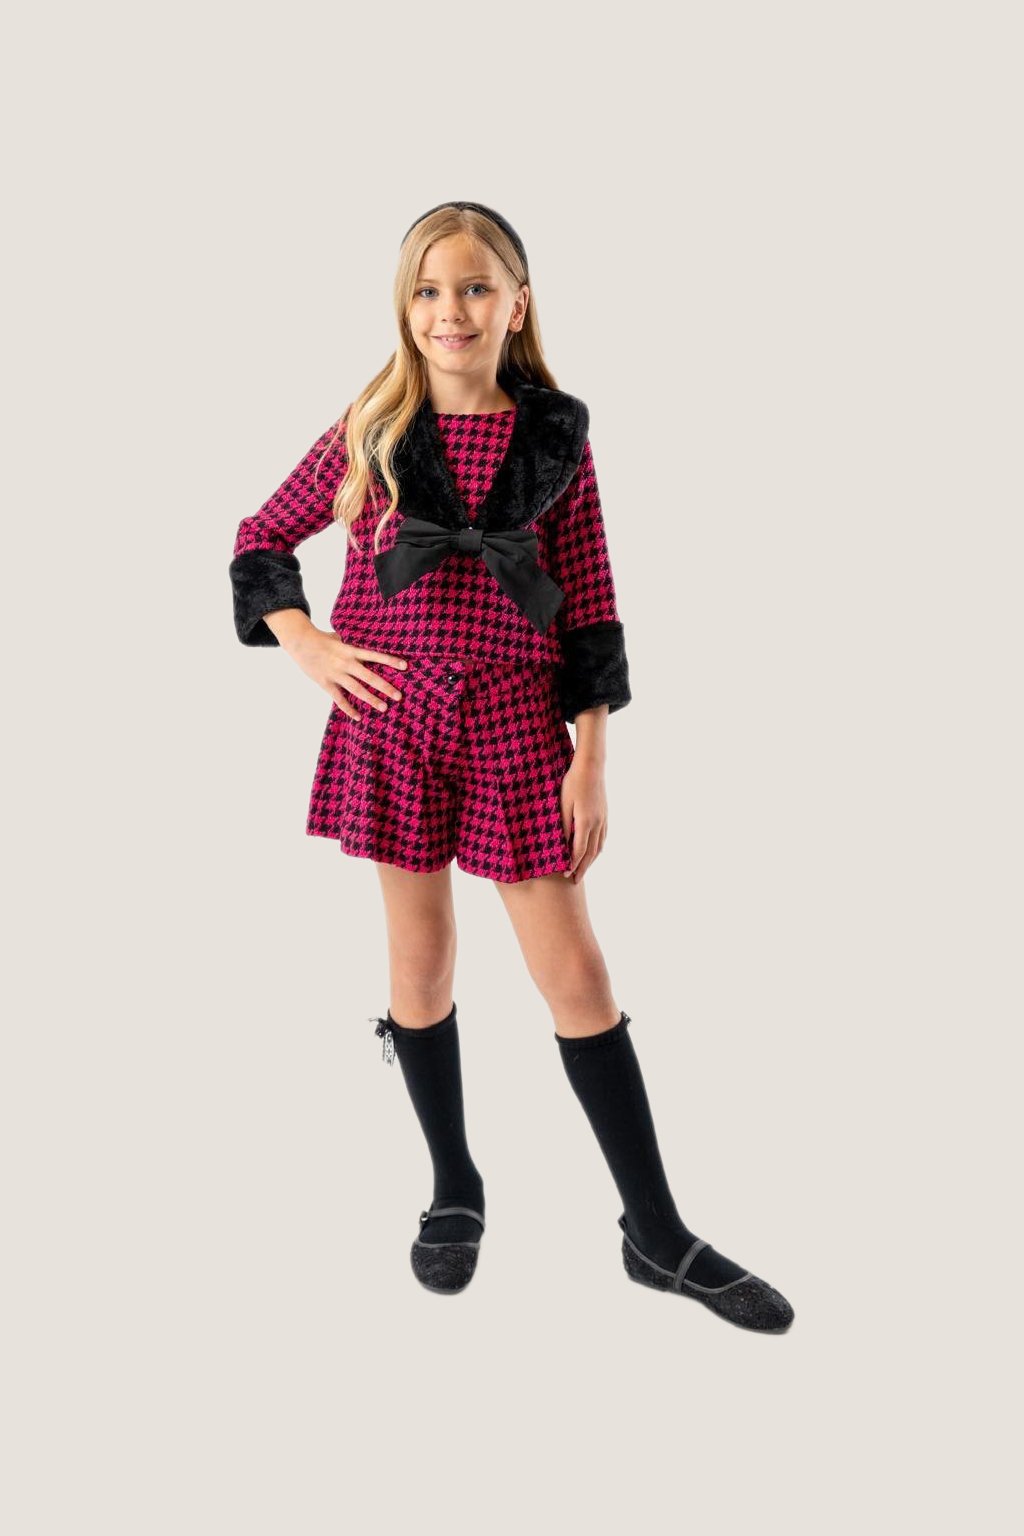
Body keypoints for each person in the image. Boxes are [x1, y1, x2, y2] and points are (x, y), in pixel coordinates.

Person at [228, 200, 794, 1332]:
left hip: (515, 727)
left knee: (574, 974)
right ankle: (454, 1186)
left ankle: (655, 1231)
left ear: (516, 304)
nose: (451, 309)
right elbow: (259, 537)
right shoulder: (373, 427)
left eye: (476, 287)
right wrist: (308, 643)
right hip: (393, 719)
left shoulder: (554, 440)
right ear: (405, 307)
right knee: (421, 963)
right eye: (429, 290)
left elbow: (590, 600)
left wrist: (593, 756)